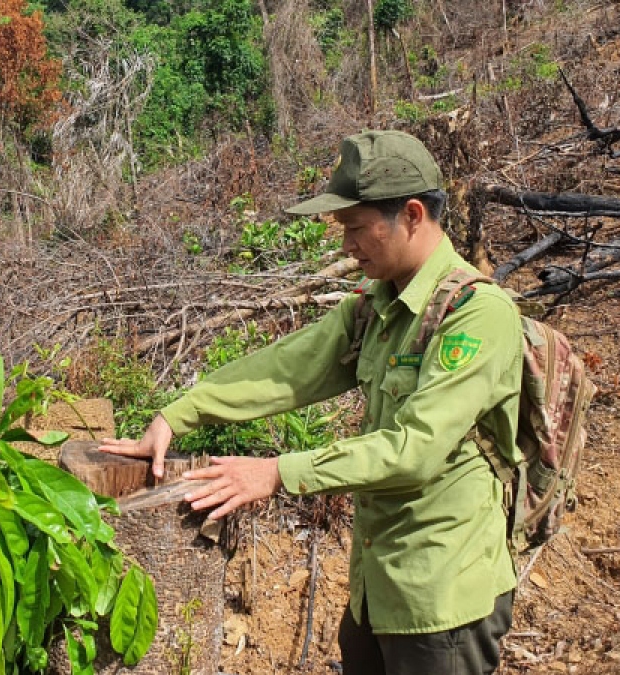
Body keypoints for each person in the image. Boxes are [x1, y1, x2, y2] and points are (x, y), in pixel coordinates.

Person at [99, 130, 522, 675]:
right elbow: (288, 368)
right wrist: (175, 415)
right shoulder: (378, 305)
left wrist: (278, 472)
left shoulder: (475, 315)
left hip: (442, 600)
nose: (346, 245)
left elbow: (415, 450)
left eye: (355, 228)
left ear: (412, 214)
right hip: (377, 591)